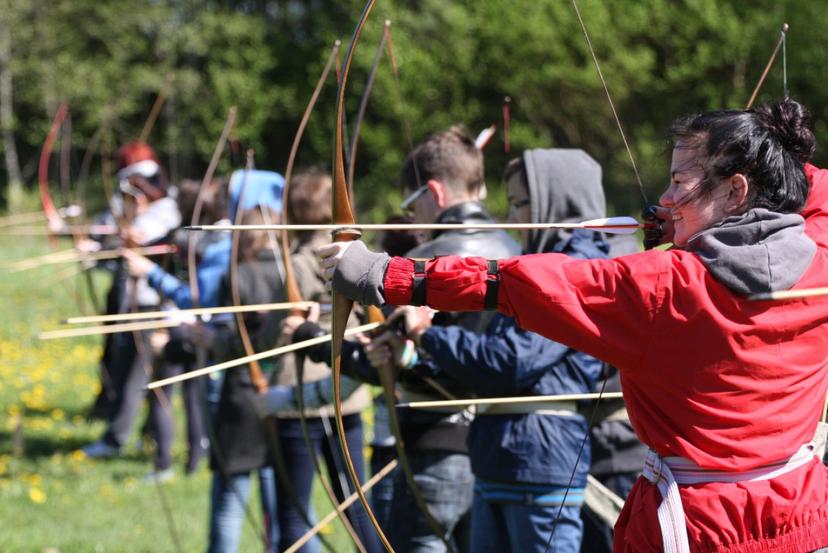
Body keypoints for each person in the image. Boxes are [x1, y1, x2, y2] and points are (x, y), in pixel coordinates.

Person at [321, 99, 828, 552]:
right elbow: (818, 193)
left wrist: (383, 275)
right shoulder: (820, 259)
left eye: (679, 182)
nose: (665, 198)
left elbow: (514, 284)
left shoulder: (663, 284)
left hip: (700, 525)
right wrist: (770, 155)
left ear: (737, 190)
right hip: (802, 509)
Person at [372, 149, 608, 552]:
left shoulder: (575, 271)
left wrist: (427, 334)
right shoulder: (536, 263)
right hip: (499, 456)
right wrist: (410, 352)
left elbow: (509, 361)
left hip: (540, 459)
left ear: (554, 200)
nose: (514, 217)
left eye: (521, 203)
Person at [273, 168, 380, 553]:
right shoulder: (352, 253)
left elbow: (284, 322)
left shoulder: (298, 261)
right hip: (344, 385)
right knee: (355, 501)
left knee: (295, 511)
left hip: (301, 390)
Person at [82, 142, 181, 459]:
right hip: (141, 302)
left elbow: (137, 236)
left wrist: (115, 235)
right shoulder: (152, 211)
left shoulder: (165, 212)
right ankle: (136, 436)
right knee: (129, 370)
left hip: (156, 305)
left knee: (138, 375)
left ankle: (121, 439)